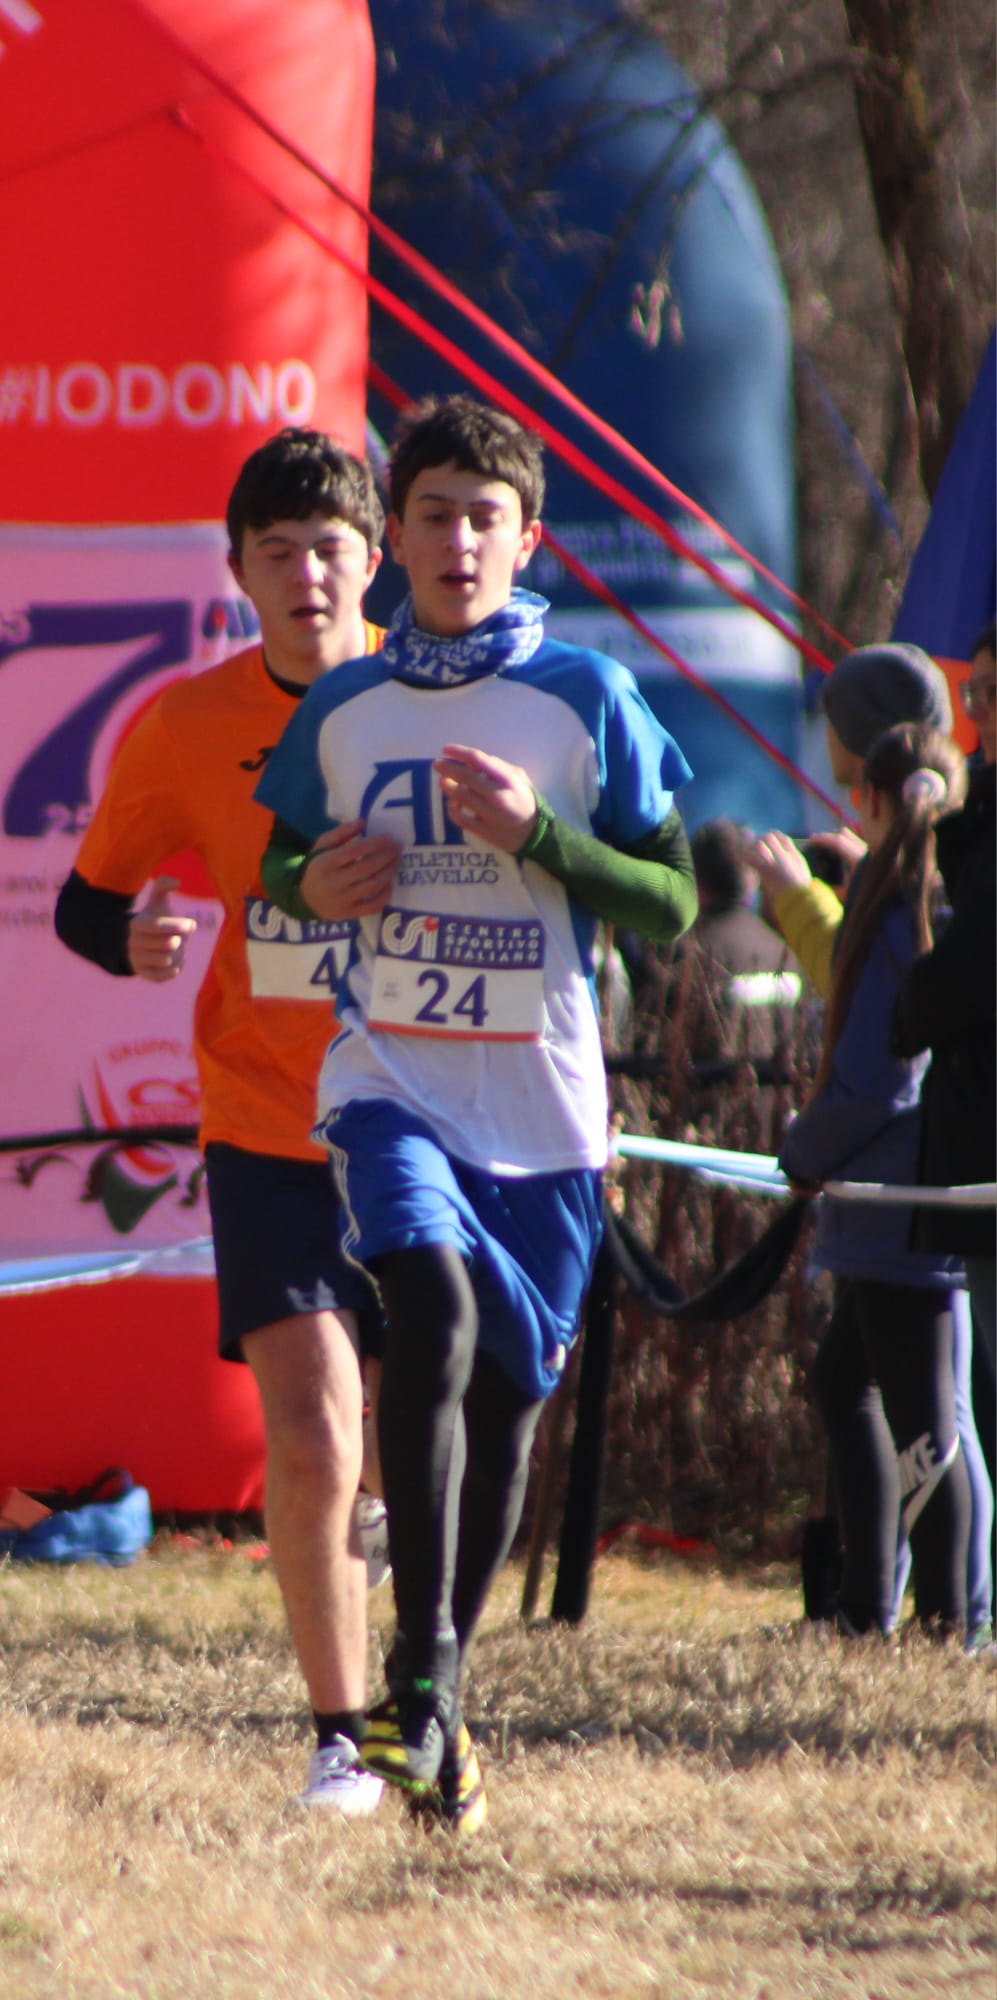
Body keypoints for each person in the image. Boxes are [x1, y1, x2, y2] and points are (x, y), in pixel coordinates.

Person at [256, 392, 698, 1824]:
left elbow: (673, 899)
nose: (456, 541)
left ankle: (438, 1694)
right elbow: (280, 862)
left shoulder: (585, 696)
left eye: (483, 518)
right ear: (395, 535)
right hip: (389, 1077)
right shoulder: (346, 704)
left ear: (528, 541)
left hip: (545, 1109)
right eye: (433, 514)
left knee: (507, 1401)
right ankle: (417, 1672)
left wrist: (542, 837)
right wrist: (310, 883)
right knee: (429, 1308)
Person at [54, 428, 389, 1814]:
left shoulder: (442, 703)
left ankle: (415, 1659)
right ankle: (341, 1737)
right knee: (309, 1430)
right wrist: (126, 942)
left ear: (374, 558)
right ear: (238, 571)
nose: (308, 574)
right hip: (267, 1118)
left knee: (420, 1442)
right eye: (279, 552)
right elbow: (85, 902)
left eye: (330, 548)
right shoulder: (188, 723)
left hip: (437, 1116)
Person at [779, 724, 972, 1637]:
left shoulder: (897, 911)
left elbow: (876, 1078)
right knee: (842, 1382)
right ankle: (865, 1609)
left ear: (869, 800)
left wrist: (803, 1152)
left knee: (928, 1427)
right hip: (907, 1196)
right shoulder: (939, 896)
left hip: (900, 1203)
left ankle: (948, 1625)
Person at [892, 622, 996, 1646]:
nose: (983, 716)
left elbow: (965, 972)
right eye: (979, 695)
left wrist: (911, 1004)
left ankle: (964, 1613)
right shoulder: (977, 828)